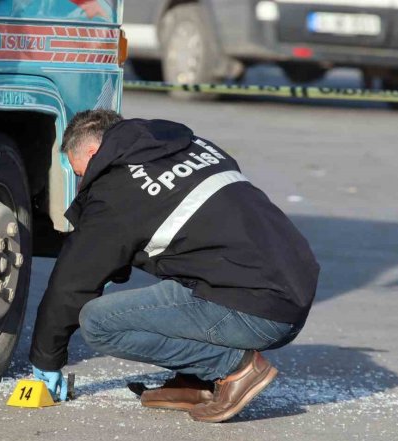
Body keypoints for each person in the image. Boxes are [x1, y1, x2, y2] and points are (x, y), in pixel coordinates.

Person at [30, 109, 319, 423]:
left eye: (79, 171)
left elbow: (72, 283)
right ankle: (195, 382)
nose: (82, 181)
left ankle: (235, 369)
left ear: (93, 152)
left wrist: (46, 359)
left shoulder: (116, 190)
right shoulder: (192, 146)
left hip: (257, 310)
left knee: (99, 322)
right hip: (292, 292)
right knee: (178, 279)